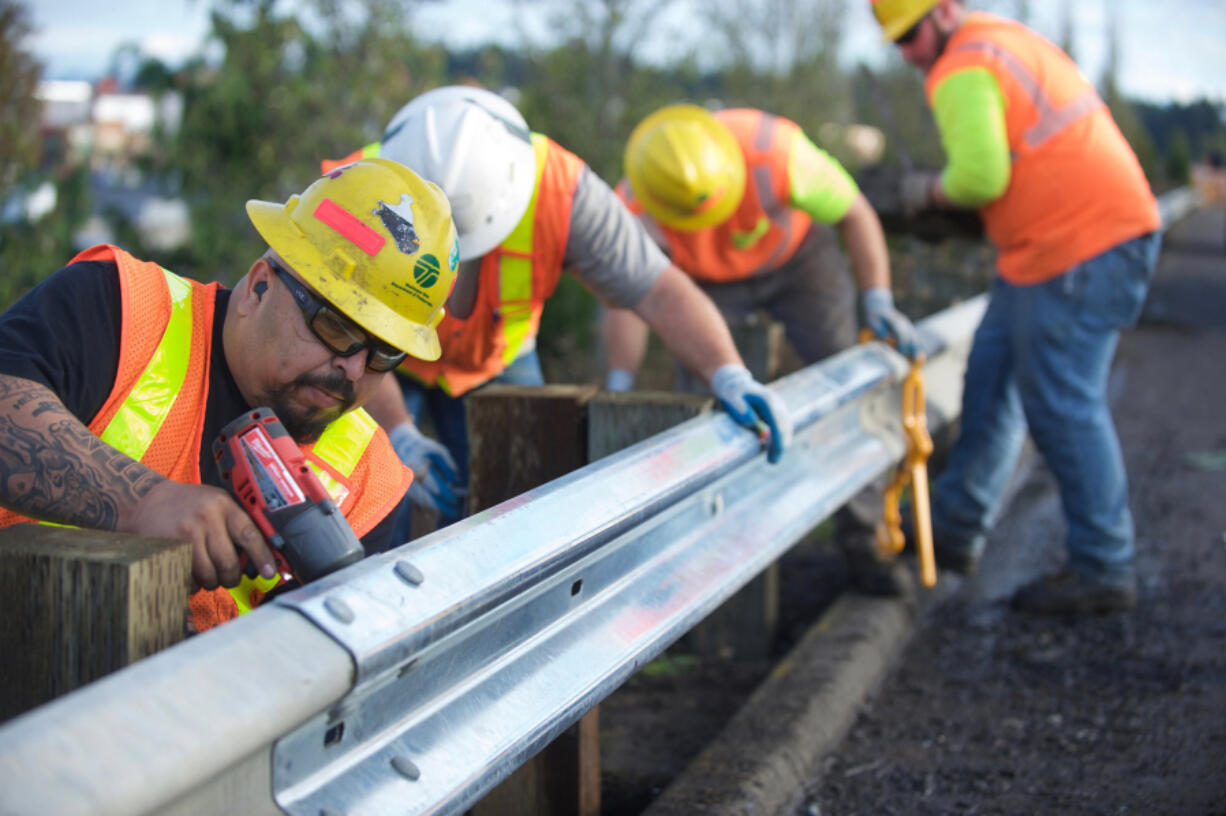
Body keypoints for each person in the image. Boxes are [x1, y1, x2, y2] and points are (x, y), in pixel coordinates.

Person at [0, 158, 460, 631]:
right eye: (336, 327)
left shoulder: (369, 480)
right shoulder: (124, 310)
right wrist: (141, 501)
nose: (353, 368)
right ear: (259, 286)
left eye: (386, 354)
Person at [323, 86, 793, 541]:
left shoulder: (563, 192)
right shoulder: (350, 192)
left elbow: (660, 290)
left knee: (524, 500)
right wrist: (399, 432)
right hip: (374, 357)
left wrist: (729, 373)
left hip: (497, 354)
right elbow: (338, 343)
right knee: (369, 497)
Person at [872, 0, 1162, 614]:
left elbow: (980, 179)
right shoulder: (1000, 41)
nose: (908, 54)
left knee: (1063, 405)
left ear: (944, 12)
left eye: (912, 35)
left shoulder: (961, 65)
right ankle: (952, 534)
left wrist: (923, 191)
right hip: (1044, 251)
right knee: (992, 380)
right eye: (896, 43)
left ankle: (1104, 565)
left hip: (1079, 248)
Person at [602, 103, 919, 596]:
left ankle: (868, 541)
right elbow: (629, 298)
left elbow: (856, 214)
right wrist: (619, 381)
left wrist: (877, 298)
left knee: (845, 383)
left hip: (799, 263)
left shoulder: (777, 155)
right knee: (708, 411)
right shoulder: (632, 204)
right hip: (702, 288)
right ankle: (711, 556)